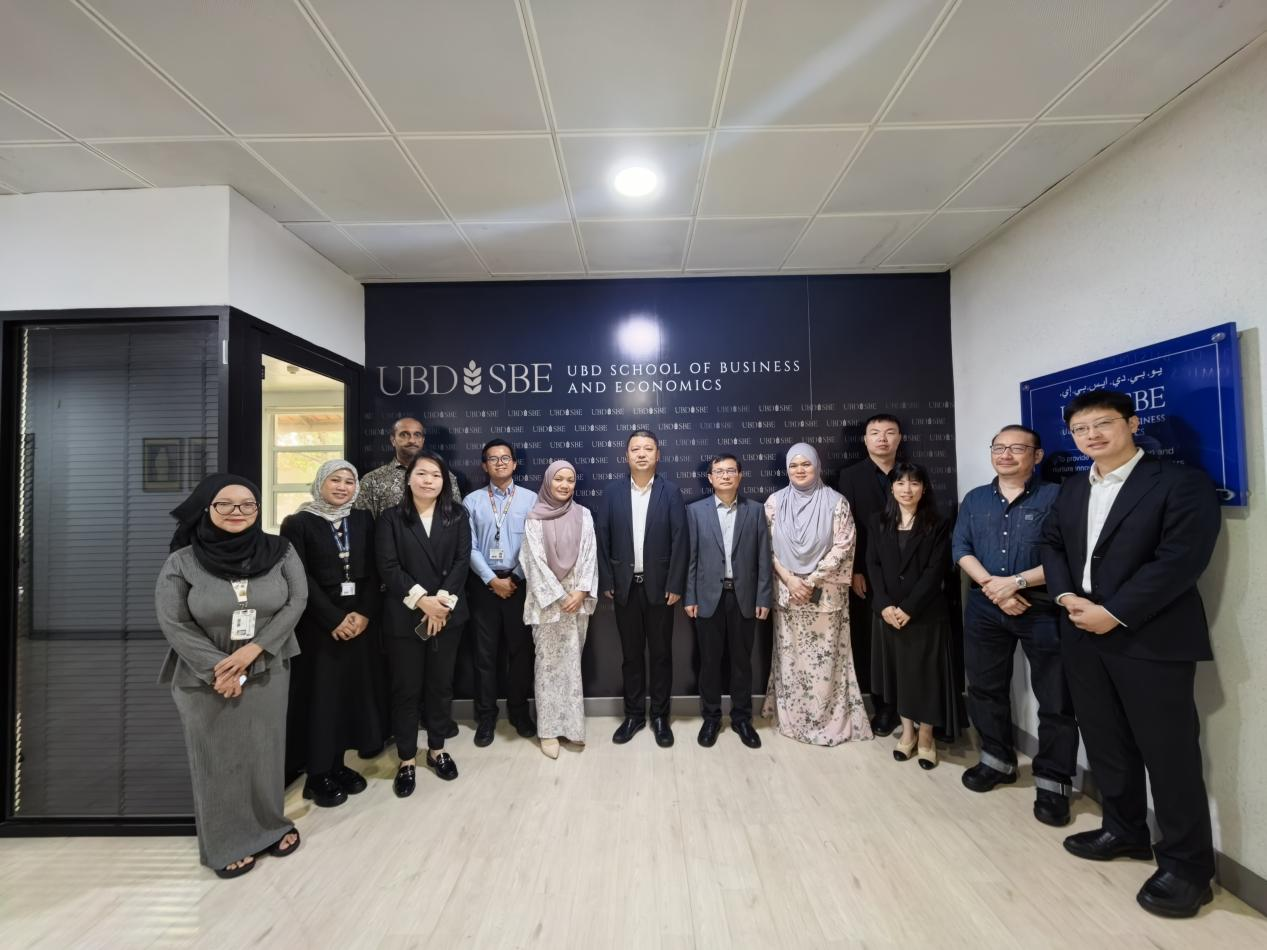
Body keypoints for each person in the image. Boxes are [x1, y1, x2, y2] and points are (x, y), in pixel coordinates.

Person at [1042, 390, 1221, 919]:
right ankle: (1124, 830)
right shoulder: (1074, 487)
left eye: (1103, 424)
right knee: (1106, 740)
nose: (1091, 436)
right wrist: (1065, 596)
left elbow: (1180, 560)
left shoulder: (1180, 483)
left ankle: (1188, 868)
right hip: (1081, 630)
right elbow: (1052, 544)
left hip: (1149, 638)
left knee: (1169, 754)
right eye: (1080, 429)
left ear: (1133, 423)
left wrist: (1115, 612)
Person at [154, 475, 307, 878]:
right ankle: (226, 843)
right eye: (225, 504)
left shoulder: (280, 551)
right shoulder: (182, 561)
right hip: (205, 674)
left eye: (247, 504)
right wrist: (219, 668)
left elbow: (297, 600)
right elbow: (173, 621)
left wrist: (254, 651)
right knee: (216, 759)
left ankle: (271, 826)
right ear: (207, 508)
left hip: (267, 664)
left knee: (266, 752)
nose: (237, 512)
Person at [953, 425, 1077, 827]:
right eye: (999, 447)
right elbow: (961, 548)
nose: (1005, 455)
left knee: (1055, 698)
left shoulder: (1057, 497)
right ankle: (997, 759)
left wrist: (1016, 583)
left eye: (1016, 448)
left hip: (1042, 607)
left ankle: (1053, 781)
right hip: (985, 607)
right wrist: (994, 588)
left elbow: (1068, 555)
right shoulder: (975, 499)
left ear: (1036, 456)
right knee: (985, 687)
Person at [280, 460, 381, 808]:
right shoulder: (298, 523)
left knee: (349, 696)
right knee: (321, 698)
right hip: (320, 627)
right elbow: (299, 577)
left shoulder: (362, 520)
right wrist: (334, 619)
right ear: (320, 483)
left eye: (349, 481)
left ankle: (338, 764)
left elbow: (375, 570)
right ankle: (317, 773)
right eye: (335, 480)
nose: (342, 487)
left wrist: (364, 614)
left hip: (360, 623)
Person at [762, 443, 872, 746]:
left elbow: (843, 546)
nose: (799, 470)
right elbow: (766, 546)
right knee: (791, 659)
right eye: (793, 465)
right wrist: (790, 579)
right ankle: (794, 719)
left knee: (826, 662)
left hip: (825, 596)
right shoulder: (774, 503)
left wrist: (809, 580)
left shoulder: (837, 502)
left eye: (805, 464)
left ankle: (828, 721)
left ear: (817, 466)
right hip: (788, 594)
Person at [376, 450, 471, 796]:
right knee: (406, 689)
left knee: (440, 686)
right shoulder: (391, 518)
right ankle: (406, 759)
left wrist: (440, 604)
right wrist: (423, 601)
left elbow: (461, 561)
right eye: (422, 474)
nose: (428, 480)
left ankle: (437, 749)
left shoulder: (456, 515)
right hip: (406, 617)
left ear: (444, 482)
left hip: (447, 615)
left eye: (435, 475)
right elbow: (388, 566)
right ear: (409, 478)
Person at [596, 429, 688, 748]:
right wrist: (608, 581)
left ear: (658, 455)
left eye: (648, 448)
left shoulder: (670, 492)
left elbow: (680, 540)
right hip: (626, 588)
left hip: (661, 589)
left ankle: (660, 717)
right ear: (626, 455)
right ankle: (634, 715)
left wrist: (675, 582)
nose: (642, 454)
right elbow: (602, 537)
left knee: (661, 655)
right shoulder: (612, 492)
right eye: (635, 449)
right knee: (631, 655)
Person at [867, 463, 959, 770]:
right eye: (901, 483)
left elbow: (936, 571)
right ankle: (907, 732)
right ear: (892, 488)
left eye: (914, 483)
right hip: (888, 614)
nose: (907, 489)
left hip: (924, 613)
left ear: (924, 488)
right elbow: (873, 565)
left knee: (927, 676)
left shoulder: (938, 523)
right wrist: (884, 605)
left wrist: (908, 608)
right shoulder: (878, 521)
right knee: (901, 675)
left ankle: (927, 736)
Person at [684, 454, 771, 749]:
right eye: (718, 471)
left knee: (741, 662)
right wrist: (690, 595)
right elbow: (691, 558)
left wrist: (763, 596)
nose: (724, 476)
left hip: (744, 597)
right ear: (709, 478)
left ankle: (742, 719)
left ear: (740, 476)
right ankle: (711, 718)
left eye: (730, 471)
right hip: (708, 598)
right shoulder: (695, 511)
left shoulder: (755, 510)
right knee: (709, 662)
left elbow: (763, 557)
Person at [462, 439, 537, 746]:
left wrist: (515, 577)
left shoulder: (531, 499)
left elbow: (535, 545)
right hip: (483, 587)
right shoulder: (472, 501)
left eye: (506, 458)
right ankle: (486, 717)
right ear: (484, 465)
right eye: (493, 459)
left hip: (520, 585)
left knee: (521, 654)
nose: (500, 463)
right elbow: (468, 546)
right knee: (484, 656)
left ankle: (519, 713)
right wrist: (492, 579)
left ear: (515, 463)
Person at [521, 460, 598, 758]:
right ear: (548, 482)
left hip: (576, 602)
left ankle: (573, 727)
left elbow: (589, 554)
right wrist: (558, 595)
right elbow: (533, 561)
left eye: (570, 480)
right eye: (559, 479)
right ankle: (549, 731)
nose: (565, 485)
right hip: (548, 605)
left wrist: (580, 591)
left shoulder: (584, 514)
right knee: (548, 667)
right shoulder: (534, 518)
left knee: (571, 665)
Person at [837, 413, 903, 735]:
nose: (882, 439)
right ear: (864, 440)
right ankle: (883, 707)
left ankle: (912, 707)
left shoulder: (911, 473)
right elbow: (846, 528)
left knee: (907, 640)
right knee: (873, 643)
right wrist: (855, 570)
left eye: (890, 433)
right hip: (867, 572)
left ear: (899, 438)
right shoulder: (850, 476)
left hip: (907, 571)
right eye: (875, 433)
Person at [358, 416, 461, 519]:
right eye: (404, 434)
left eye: (417, 435)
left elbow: (456, 518)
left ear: (422, 440)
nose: (412, 440)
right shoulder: (372, 480)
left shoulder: (445, 477)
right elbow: (361, 524)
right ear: (393, 440)